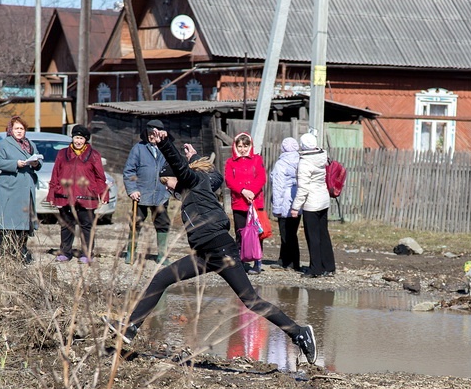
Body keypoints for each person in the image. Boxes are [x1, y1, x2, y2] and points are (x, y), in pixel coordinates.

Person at [109, 127, 317, 365]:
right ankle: (130, 328)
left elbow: (184, 168)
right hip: (204, 255)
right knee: (161, 279)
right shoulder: (196, 187)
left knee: (251, 300)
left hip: (221, 250)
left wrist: (165, 144)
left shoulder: (194, 181)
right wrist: (196, 158)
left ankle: (299, 333)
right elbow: (216, 176)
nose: (167, 187)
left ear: (178, 174)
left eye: (166, 181)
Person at [46, 124, 108, 264]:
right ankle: (65, 253)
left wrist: (103, 194)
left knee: (86, 226)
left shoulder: (94, 155)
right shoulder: (62, 153)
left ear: (86, 140)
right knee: (66, 226)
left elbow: (100, 177)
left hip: (87, 197)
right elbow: (55, 174)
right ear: (72, 138)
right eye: (76, 138)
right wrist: (52, 194)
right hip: (65, 196)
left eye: (81, 138)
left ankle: (86, 254)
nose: (78, 141)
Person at [0, 115, 41, 264]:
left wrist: (35, 164)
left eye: (22, 128)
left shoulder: (30, 144)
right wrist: (15, 164)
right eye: (16, 128)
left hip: (26, 188)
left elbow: (38, 163)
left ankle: (21, 250)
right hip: (10, 187)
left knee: (25, 222)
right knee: (6, 221)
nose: (19, 131)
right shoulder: (4, 144)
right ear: (10, 130)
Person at [123, 119, 170, 263]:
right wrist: (132, 190)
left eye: (155, 134)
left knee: (162, 224)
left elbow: (175, 168)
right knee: (136, 223)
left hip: (161, 194)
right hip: (141, 194)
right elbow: (129, 171)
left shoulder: (167, 148)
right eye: (150, 133)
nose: (152, 136)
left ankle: (162, 255)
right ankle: (130, 253)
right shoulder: (139, 148)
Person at [291, 133, 336, 278]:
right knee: (323, 234)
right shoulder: (322, 156)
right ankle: (329, 267)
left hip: (311, 203)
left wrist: (295, 207)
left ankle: (315, 268)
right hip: (323, 199)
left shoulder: (305, 162)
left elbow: (303, 188)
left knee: (313, 237)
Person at [225, 132, 267, 274]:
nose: (243, 149)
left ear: (250, 146)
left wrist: (252, 192)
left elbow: (261, 178)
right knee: (240, 232)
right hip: (239, 202)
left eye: (245, 146)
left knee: (257, 233)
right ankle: (240, 261)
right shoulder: (231, 162)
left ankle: (257, 262)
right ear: (235, 146)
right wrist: (243, 191)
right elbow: (229, 180)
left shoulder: (257, 159)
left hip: (255, 202)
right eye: (240, 146)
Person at [269, 136, 302, 271]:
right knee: (292, 231)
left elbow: (278, 187)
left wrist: (276, 207)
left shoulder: (281, 164)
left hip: (284, 201)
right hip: (297, 201)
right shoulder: (301, 161)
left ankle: (293, 262)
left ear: (283, 148)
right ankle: (283, 259)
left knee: (286, 234)